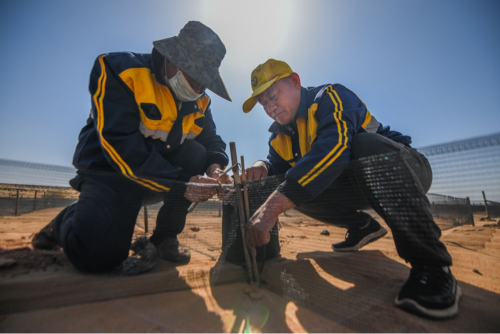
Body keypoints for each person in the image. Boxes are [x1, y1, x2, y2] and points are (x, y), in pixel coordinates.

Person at [242, 59, 461, 319]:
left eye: (272, 95)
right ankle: (363, 226)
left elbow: (334, 149)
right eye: (264, 104)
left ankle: (433, 267)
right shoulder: (278, 137)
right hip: (355, 185)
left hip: (404, 169)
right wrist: (262, 165)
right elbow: (279, 170)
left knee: (363, 146)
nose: (270, 107)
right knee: (288, 183)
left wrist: (270, 211)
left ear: (295, 82)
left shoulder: (330, 96)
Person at [32, 21, 233, 273]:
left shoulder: (200, 100)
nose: (200, 89)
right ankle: (65, 220)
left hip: (158, 179)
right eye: (195, 77)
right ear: (172, 59)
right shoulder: (119, 70)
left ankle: (164, 238)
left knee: (197, 153)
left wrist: (216, 169)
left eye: (206, 82)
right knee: (99, 255)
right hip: (110, 174)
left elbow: (210, 140)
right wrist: (180, 184)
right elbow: (120, 143)